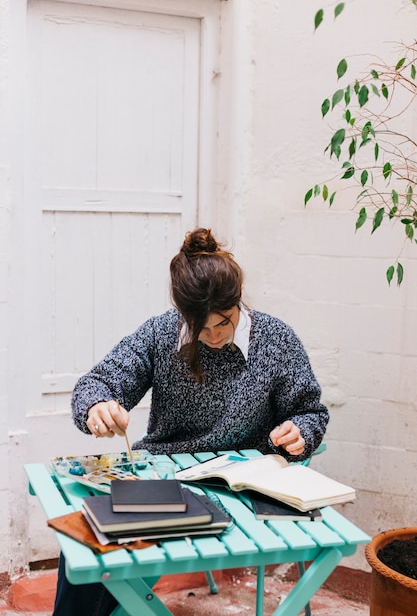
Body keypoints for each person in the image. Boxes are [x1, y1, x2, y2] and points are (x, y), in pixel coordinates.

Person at [53, 227, 329, 616]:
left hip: (246, 489)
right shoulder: (161, 333)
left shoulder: (277, 340)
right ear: (183, 314)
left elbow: (311, 412)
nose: (214, 337)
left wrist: (302, 431)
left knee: (113, 555)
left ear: (238, 304)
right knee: (87, 538)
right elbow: (97, 383)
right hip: (167, 478)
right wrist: (96, 406)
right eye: (202, 327)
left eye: (224, 322)